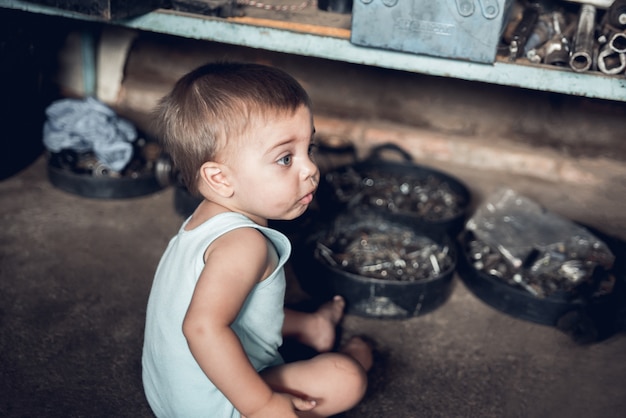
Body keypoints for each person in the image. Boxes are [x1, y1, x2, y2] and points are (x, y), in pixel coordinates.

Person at [142, 62, 373, 418]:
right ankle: (348, 359)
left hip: (171, 397)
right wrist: (263, 405)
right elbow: (202, 328)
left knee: (247, 303)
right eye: (285, 158)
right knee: (345, 378)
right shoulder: (244, 244)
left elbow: (238, 314)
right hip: (218, 406)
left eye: (309, 147)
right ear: (220, 179)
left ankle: (313, 327)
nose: (311, 168)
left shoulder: (204, 220)